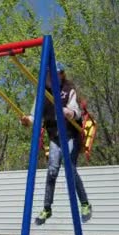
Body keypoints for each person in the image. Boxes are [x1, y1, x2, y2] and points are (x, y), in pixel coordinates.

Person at [20, 62, 92, 225]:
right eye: (49, 76)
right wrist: (27, 121)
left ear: (61, 75)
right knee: (52, 172)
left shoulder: (68, 91)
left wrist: (69, 112)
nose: (52, 78)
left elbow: (76, 111)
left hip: (70, 135)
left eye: (56, 75)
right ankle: (47, 208)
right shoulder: (42, 94)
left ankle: (85, 204)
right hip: (55, 137)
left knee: (70, 169)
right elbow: (34, 116)